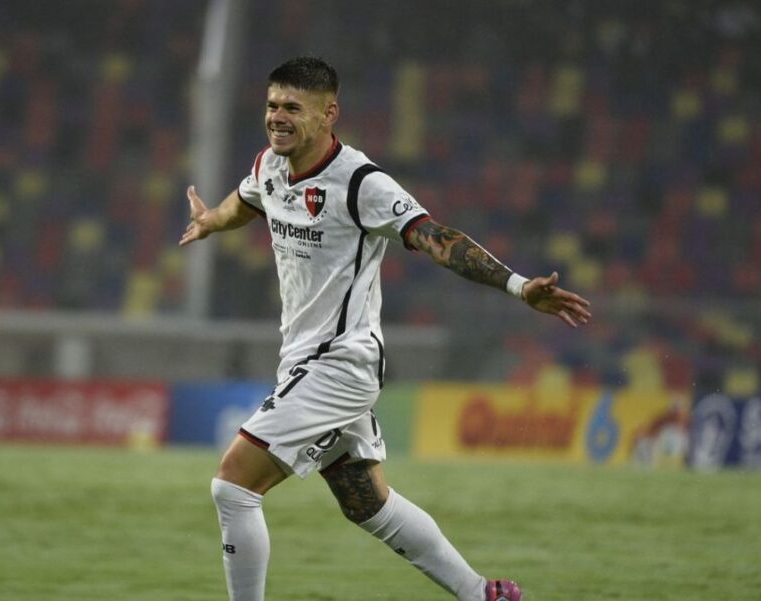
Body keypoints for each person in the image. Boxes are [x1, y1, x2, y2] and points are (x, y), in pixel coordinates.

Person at [179, 56, 591, 601]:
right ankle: (483, 594)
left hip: (340, 363)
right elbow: (248, 201)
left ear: (329, 114)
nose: (277, 117)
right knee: (368, 504)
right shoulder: (269, 166)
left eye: (292, 108)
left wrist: (518, 287)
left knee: (233, 486)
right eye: (272, 105)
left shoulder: (360, 182)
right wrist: (212, 221)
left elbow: (436, 238)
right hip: (304, 359)